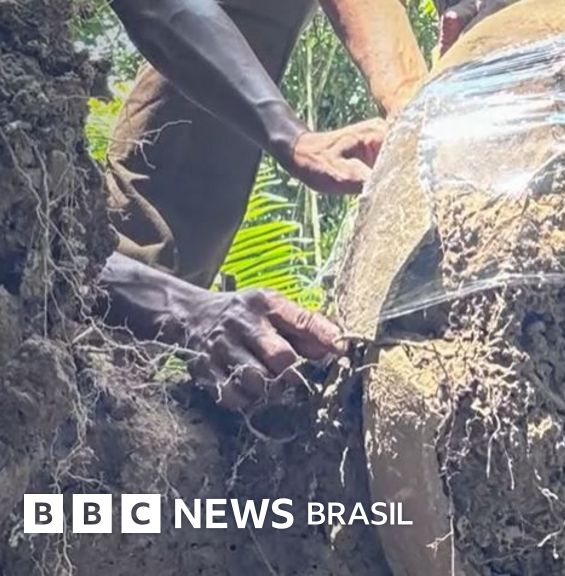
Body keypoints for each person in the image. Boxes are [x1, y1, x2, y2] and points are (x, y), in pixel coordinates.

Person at [97, 0, 509, 410]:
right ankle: (100, 350)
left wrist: (416, 109)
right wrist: (185, 310)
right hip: (75, 273)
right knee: (89, 325)